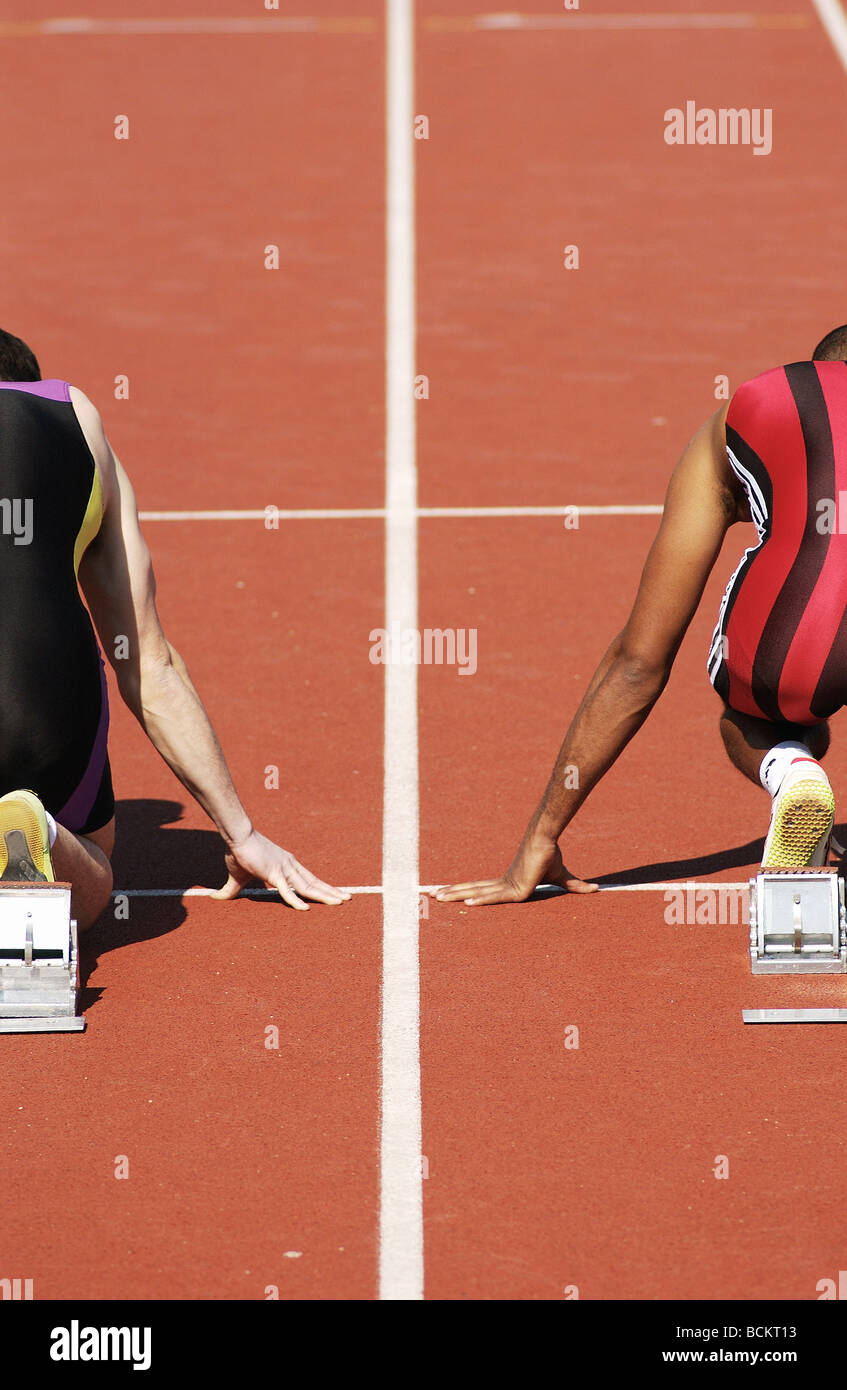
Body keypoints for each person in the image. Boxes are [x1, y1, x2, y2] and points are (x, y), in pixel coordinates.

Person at [436, 327, 847, 907]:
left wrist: (542, 836)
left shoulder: (751, 409)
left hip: (795, 652)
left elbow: (640, 661)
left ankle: (790, 771)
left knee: (752, 717)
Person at [0, 328, 349, 926]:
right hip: (38, 716)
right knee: (97, 865)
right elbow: (147, 661)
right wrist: (243, 833)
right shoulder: (74, 415)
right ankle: (42, 837)